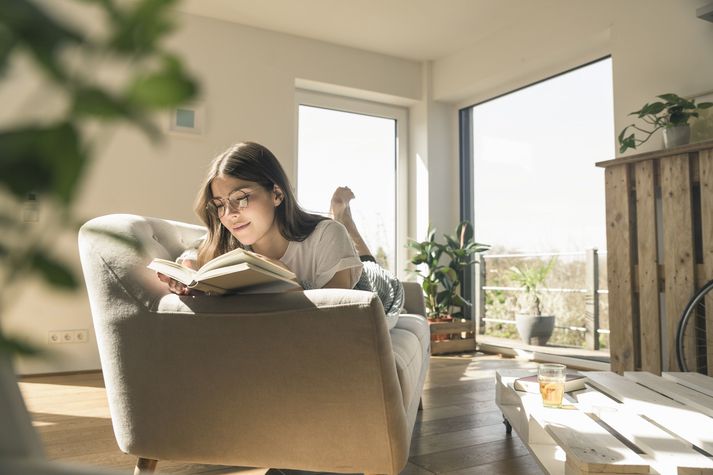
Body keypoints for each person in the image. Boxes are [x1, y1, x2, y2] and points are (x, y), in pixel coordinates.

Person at [157, 141, 403, 320]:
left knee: (369, 264)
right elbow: (195, 250)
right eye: (220, 204)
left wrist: (289, 281)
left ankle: (343, 215)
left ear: (276, 194)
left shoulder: (327, 235)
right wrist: (187, 268)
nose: (229, 215)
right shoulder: (229, 239)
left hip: (377, 289)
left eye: (241, 198)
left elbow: (339, 316)